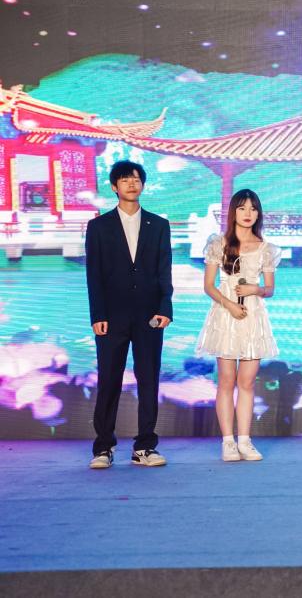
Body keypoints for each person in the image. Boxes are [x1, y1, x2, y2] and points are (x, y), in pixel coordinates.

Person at [86, 161, 173, 469]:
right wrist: (98, 314)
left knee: (148, 379)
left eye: (136, 179)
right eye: (124, 180)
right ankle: (103, 447)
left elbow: (164, 270)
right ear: (114, 186)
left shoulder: (158, 224)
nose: (131, 184)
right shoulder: (99, 226)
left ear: (143, 184)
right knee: (109, 380)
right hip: (111, 316)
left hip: (150, 315)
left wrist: (165, 308)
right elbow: (94, 275)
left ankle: (145, 446)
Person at [195, 189, 282, 462]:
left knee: (247, 382)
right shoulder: (219, 244)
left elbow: (270, 289)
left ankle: (245, 440)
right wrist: (230, 305)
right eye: (242, 208)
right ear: (233, 211)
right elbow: (209, 286)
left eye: (253, 209)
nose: (248, 214)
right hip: (226, 315)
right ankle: (228, 442)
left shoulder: (266, 248)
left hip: (253, 317)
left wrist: (257, 289)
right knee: (226, 381)